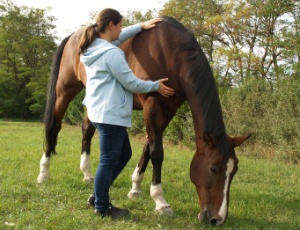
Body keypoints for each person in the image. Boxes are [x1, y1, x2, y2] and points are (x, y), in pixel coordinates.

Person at [78, 8, 175, 219]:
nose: (122, 29)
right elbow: (131, 82)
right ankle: (101, 206)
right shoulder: (112, 53)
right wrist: (155, 86)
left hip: (99, 110)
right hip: (109, 113)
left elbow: (119, 36)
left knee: (124, 154)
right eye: (120, 25)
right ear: (110, 25)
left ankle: (97, 195)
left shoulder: (93, 47)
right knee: (107, 160)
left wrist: (140, 26)